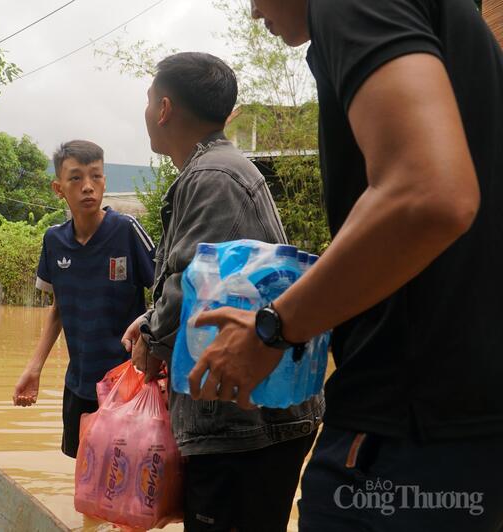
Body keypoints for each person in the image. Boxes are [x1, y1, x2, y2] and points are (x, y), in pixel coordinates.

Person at [189, 1, 503, 530]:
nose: (252, 11)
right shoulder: (457, 29)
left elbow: (427, 195)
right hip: (469, 426)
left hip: (404, 430)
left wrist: (272, 329)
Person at [120, 52, 323, 532]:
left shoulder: (212, 176)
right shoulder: (213, 169)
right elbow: (195, 281)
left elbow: (188, 283)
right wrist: (151, 320)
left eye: (149, 101)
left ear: (165, 108)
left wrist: (152, 333)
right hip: (243, 418)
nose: (147, 112)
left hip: (248, 427)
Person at [12, 140, 156, 458]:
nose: (87, 187)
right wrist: (34, 368)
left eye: (96, 177)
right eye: (76, 178)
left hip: (126, 383)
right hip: (79, 382)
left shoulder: (127, 231)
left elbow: (166, 293)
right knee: (85, 476)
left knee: (125, 472)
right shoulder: (54, 241)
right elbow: (58, 309)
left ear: (104, 182)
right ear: (58, 188)